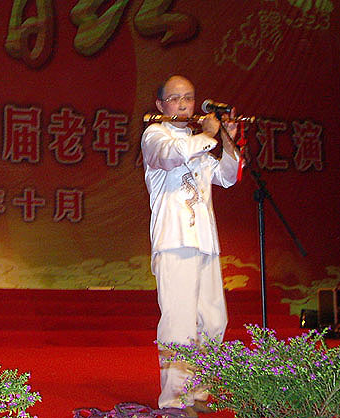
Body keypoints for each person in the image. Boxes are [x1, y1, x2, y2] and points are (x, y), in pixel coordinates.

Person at [141, 75, 240, 417]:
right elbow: (170, 157)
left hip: (205, 242)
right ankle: (173, 400)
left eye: (189, 98)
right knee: (179, 323)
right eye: (175, 98)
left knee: (214, 322)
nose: (183, 105)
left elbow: (228, 176)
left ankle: (199, 391)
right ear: (161, 104)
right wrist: (209, 136)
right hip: (174, 241)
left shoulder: (200, 142)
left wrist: (227, 140)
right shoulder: (156, 135)